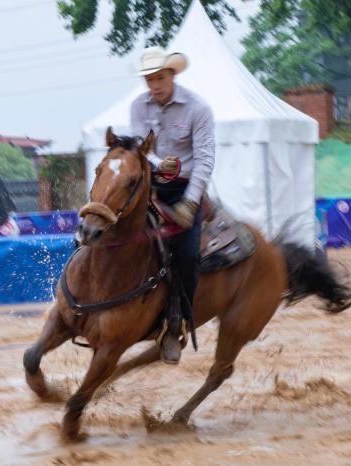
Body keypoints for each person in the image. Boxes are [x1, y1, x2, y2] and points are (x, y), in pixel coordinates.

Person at [130, 46, 215, 364]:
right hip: (149, 186)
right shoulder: (139, 106)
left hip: (184, 190)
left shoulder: (198, 108)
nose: (154, 85)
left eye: (160, 78)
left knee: (188, 255)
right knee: (112, 229)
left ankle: (177, 323)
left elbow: (205, 160)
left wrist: (191, 203)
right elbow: (140, 146)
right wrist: (155, 162)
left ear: (172, 75)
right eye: (149, 79)